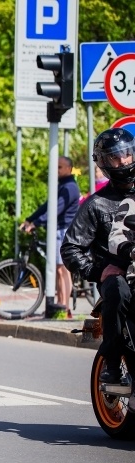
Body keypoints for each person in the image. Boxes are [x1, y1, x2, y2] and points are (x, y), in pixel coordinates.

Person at [96, 129, 135, 384]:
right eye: (115, 157)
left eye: (126, 155)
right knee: (117, 292)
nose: (123, 161)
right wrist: (128, 250)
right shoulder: (130, 203)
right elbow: (117, 235)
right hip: (128, 275)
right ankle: (113, 365)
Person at [21, 156, 80, 311]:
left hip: (63, 230)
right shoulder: (63, 185)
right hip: (58, 230)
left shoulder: (69, 187)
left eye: (59, 167)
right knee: (59, 269)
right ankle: (61, 306)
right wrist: (30, 219)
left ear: (69, 169)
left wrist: (35, 223)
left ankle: (64, 307)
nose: (56, 170)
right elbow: (48, 205)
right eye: (55, 166)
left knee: (62, 269)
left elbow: (56, 209)